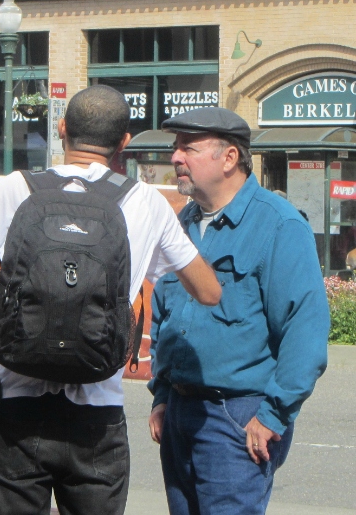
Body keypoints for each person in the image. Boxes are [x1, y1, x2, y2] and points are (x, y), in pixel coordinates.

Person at [0, 85, 222, 515]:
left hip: (16, 410)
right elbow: (209, 292)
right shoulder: (146, 203)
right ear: (124, 143)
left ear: (61, 129)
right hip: (97, 416)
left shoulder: (17, 188)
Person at [148, 107, 330, 515]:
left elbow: (306, 330)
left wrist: (272, 416)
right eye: (176, 147)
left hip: (237, 416)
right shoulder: (186, 221)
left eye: (188, 148)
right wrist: (162, 395)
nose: (175, 157)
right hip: (181, 412)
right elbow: (165, 311)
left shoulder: (279, 225)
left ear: (229, 158)